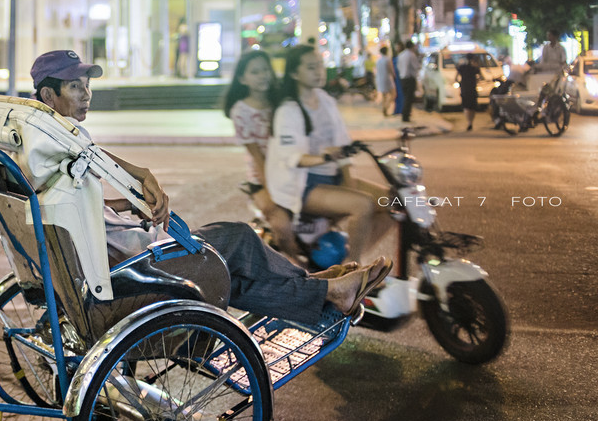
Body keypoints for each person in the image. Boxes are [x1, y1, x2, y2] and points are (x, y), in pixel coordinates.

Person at [29, 49, 391, 327]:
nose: (86, 94)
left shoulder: (51, 141)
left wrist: (126, 203)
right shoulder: (62, 142)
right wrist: (138, 182)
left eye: (87, 85)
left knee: (235, 267)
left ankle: (322, 289)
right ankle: (325, 289)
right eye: (75, 86)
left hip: (119, 253)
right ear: (49, 95)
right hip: (133, 266)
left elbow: (83, 200)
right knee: (238, 239)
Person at [266, 45, 392, 265]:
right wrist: (324, 158)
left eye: (320, 66)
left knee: (395, 201)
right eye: (311, 67)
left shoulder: (325, 100)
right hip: (303, 186)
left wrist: (348, 179)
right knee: (362, 205)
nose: (319, 71)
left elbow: (342, 145)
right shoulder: (288, 110)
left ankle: (349, 258)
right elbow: (293, 157)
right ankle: (352, 271)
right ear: (295, 73)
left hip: (332, 178)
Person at [222, 50, 298, 256]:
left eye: (265, 70)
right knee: (282, 223)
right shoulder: (241, 111)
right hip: (262, 177)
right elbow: (256, 156)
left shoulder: (282, 102)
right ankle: (298, 267)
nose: (263, 75)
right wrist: (272, 188)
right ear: (242, 79)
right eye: (255, 72)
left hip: (295, 170)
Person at [395, 40, 421, 122]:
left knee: (405, 97)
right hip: (409, 78)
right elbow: (416, 66)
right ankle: (406, 116)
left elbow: (398, 67)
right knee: (408, 98)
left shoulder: (401, 55)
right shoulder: (411, 55)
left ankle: (405, 114)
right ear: (412, 47)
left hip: (402, 79)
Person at [455, 53, 480, 131]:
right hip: (472, 88)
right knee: (473, 107)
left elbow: (456, 78)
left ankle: (468, 122)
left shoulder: (462, 67)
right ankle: (471, 122)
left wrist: (460, 83)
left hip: (464, 88)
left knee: (466, 106)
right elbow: (480, 77)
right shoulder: (475, 67)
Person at [374, 45, 396, 116]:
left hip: (380, 79)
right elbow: (391, 70)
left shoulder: (378, 61)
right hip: (387, 79)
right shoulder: (387, 59)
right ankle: (386, 107)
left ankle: (385, 108)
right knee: (393, 94)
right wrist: (394, 76)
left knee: (384, 96)